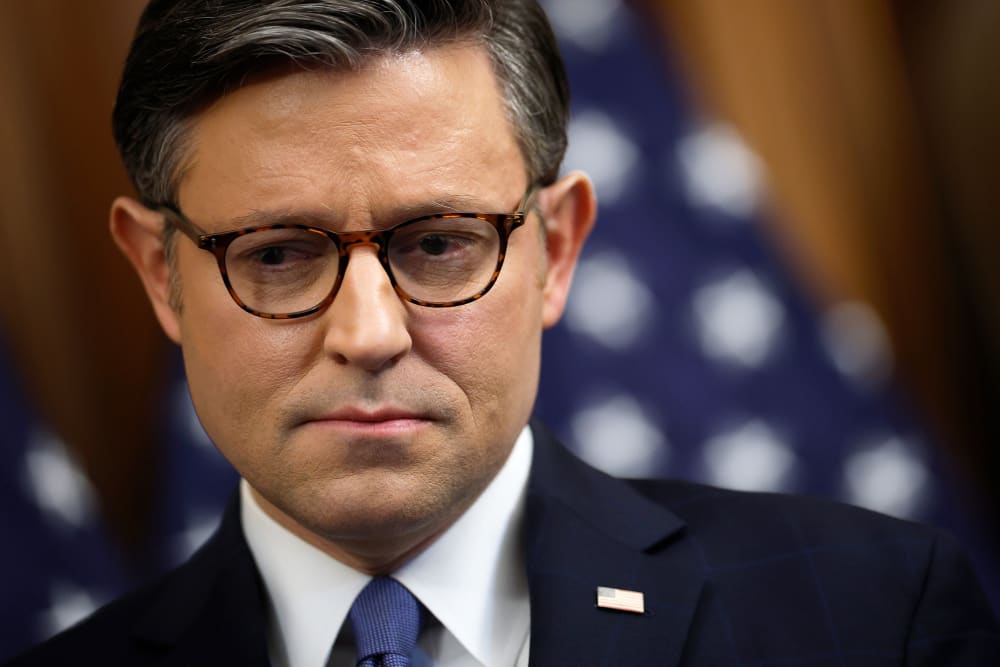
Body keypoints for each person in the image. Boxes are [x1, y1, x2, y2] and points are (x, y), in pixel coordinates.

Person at [7, 1, 999, 665]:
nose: (368, 332)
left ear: (557, 249)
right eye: (276, 255)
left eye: (439, 243)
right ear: (160, 273)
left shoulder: (873, 614)